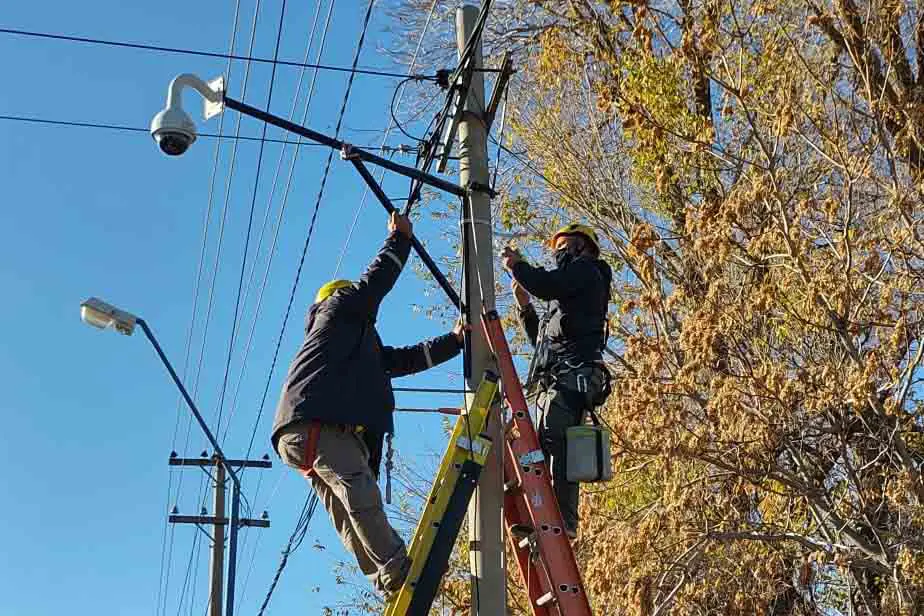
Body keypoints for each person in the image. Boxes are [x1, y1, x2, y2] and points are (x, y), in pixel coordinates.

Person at [271, 212, 465, 596]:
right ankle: (395, 566)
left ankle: (385, 577)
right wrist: (400, 239)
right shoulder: (338, 308)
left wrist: (455, 341)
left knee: (347, 512)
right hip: (319, 424)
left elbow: (403, 360)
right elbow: (373, 285)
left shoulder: (351, 349)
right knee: (360, 493)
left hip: (298, 433)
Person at [501, 223, 612, 539]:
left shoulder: (587, 272)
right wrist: (524, 307)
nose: (558, 253)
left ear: (582, 246)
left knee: (554, 438)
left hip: (575, 375)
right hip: (558, 377)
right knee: (538, 444)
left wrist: (518, 266)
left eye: (563, 247)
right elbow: (542, 344)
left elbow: (546, 284)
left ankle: (564, 521)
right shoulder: (566, 297)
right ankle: (542, 515)